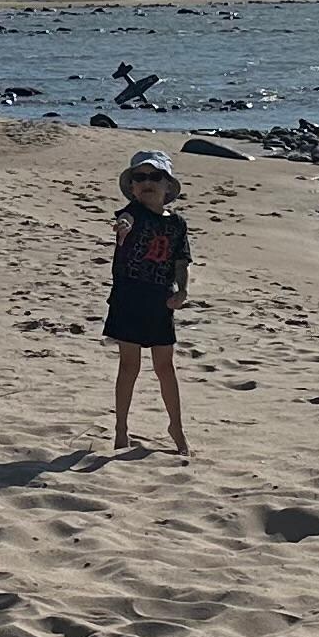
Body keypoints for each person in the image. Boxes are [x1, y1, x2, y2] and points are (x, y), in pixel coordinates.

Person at [103, 154, 194, 453]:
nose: (147, 183)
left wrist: (182, 290)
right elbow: (125, 220)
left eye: (154, 177)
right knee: (129, 366)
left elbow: (181, 261)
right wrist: (123, 226)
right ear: (132, 187)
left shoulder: (177, 224)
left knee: (165, 367)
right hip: (128, 298)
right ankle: (121, 429)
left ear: (168, 186)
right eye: (139, 178)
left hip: (160, 299)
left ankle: (176, 427)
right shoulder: (132, 213)